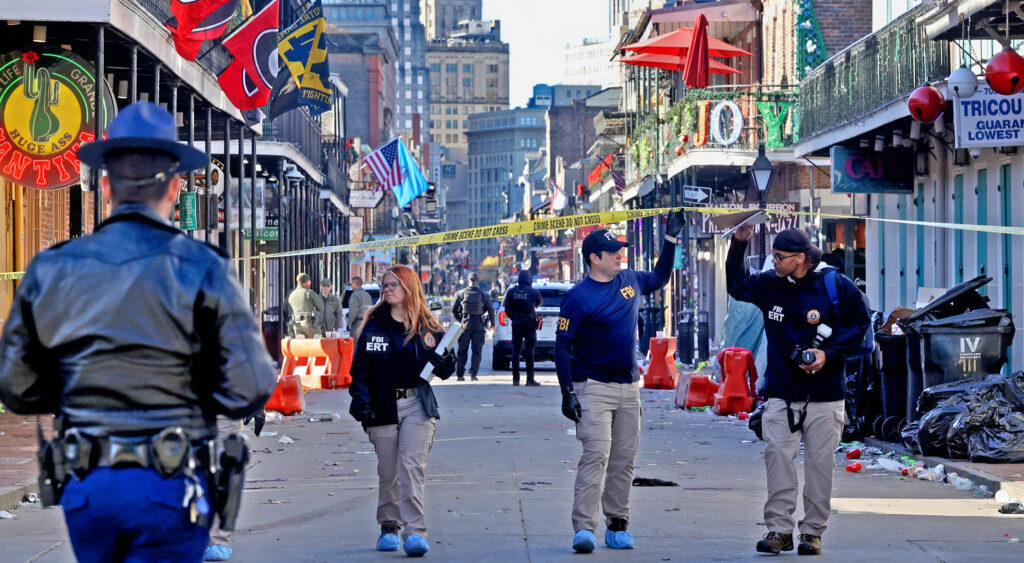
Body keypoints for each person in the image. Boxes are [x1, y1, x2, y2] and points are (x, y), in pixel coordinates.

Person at [0, 101, 277, 563]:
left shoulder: (52, 268)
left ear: (105, 184)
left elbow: (16, 386)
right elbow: (250, 386)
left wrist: (77, 385)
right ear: (174, 187)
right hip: (171, 479)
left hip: (89, 482)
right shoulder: (204, 267)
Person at [726, 226, 870, 556]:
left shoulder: (835, 285)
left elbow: (859, 323)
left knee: (820, 466)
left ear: (801, 258)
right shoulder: (769, 285)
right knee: (777, 459)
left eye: (779, 257)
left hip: (825, 395)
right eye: (772, 256)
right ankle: (779, 530)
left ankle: (812, 532)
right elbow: (736, 286)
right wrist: (739, 242)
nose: (773, 261)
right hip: (781, 393)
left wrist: (828, 354)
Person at [555, 212, 682, 553]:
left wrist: (670, 240)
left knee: (624, 459)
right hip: (592, 388)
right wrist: (568, 393)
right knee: (597, 454)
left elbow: (660, 276)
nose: (620, 255)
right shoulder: (578, 298)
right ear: (594, 258)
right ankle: (584, 528)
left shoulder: (630, 280)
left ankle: (618, 523)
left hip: (629, 388)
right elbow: (563, 347)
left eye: (620, 250)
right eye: (613, 252)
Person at [348, 265, 456, 557]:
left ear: (409, 287)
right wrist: (361, 404)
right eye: (385, 285)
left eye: (394, 284)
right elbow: (359, 371)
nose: (388, 289)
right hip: (382, 405)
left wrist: (445, 362)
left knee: (411, 466)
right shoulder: (374, 324)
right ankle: (389, 525)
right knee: (389, 471)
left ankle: (415, 532)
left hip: (417, 405)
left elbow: (446, 366)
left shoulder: (427, 326)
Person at [451, 272, 495, 381]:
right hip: (479, 325)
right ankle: (473, 374)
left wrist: (460, 319)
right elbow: (490, 310)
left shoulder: (460, 293)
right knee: (477, 351)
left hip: (465, 324)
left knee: (462, 351)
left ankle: (460, 375)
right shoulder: (484, 295)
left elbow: (453, 310)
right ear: (477, 282)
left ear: (468, 281)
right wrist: (492, 325)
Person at [502, 270, 543, 386]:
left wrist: (514, 317)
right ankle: (530, 379)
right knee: (530, 350)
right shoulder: (534, 292)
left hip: (516, 323)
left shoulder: (511, 291)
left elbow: (507, 309)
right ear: (529, 279)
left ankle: (516, 379)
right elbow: (539, 303)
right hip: (529, 323)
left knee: (516, 350)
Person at [288, 273, 323, 338]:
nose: (310, 282)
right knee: (319, 340)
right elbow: (320, 306)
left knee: (302, 345)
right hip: (310, 325)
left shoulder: (291, 295)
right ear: (305, 282)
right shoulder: (309, 292)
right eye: (309, 281)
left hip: (297, 326)